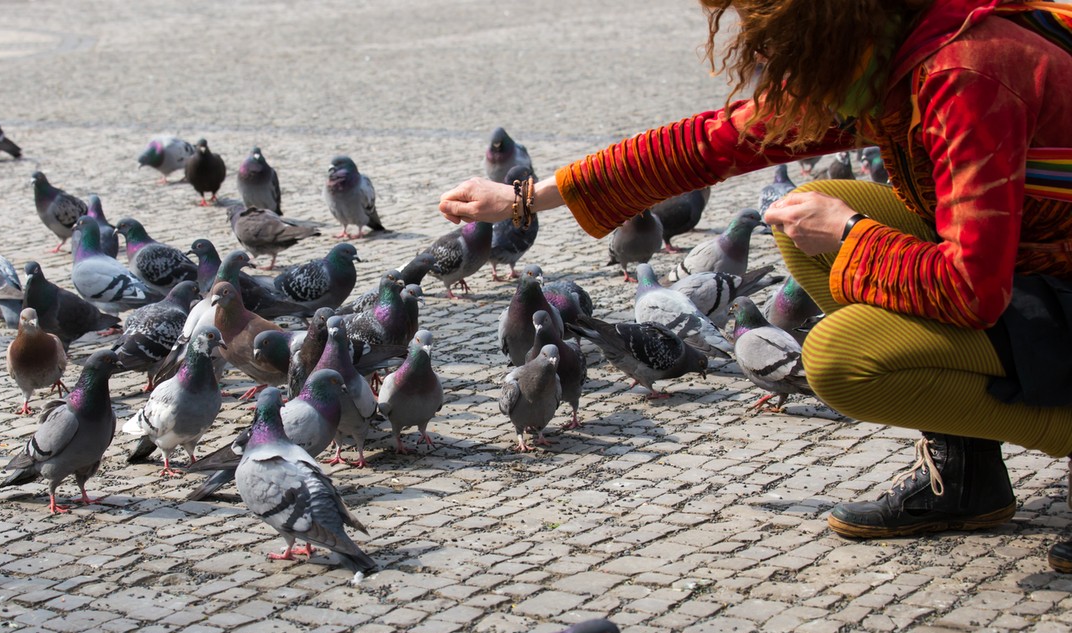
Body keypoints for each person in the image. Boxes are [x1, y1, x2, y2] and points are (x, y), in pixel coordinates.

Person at [439, 0, 1072, 572]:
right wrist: (524, 197)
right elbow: (713, 141)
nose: (763, 53)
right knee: (811, 211)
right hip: (1039, 265)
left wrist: (852, 236)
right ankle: (967, 479)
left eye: (772, 35)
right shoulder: (899, 47)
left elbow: (969, 289)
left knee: (843, 359)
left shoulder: (964, 75)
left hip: (1037, 280)